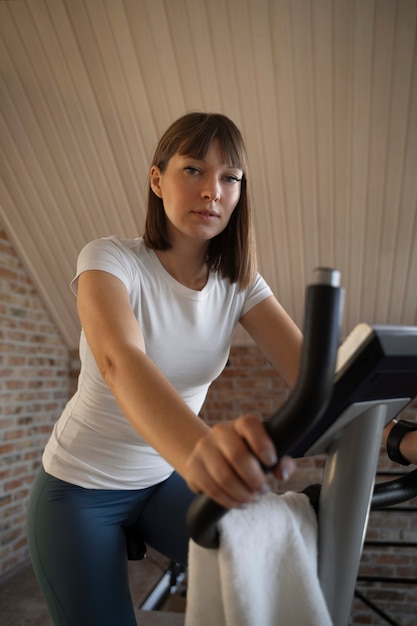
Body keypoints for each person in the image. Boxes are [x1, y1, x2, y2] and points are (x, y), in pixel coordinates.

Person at [26, 112, 415, 626]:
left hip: (163, 479)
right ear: (157, 178)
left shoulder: (240, 283)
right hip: (80, 487)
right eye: (193, 170)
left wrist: (397, 438)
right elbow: (122, 362)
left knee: (273, 565)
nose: (213, 190)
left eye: (230, 177)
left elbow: (316, 381)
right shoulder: (110, 260)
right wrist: (201, 451)